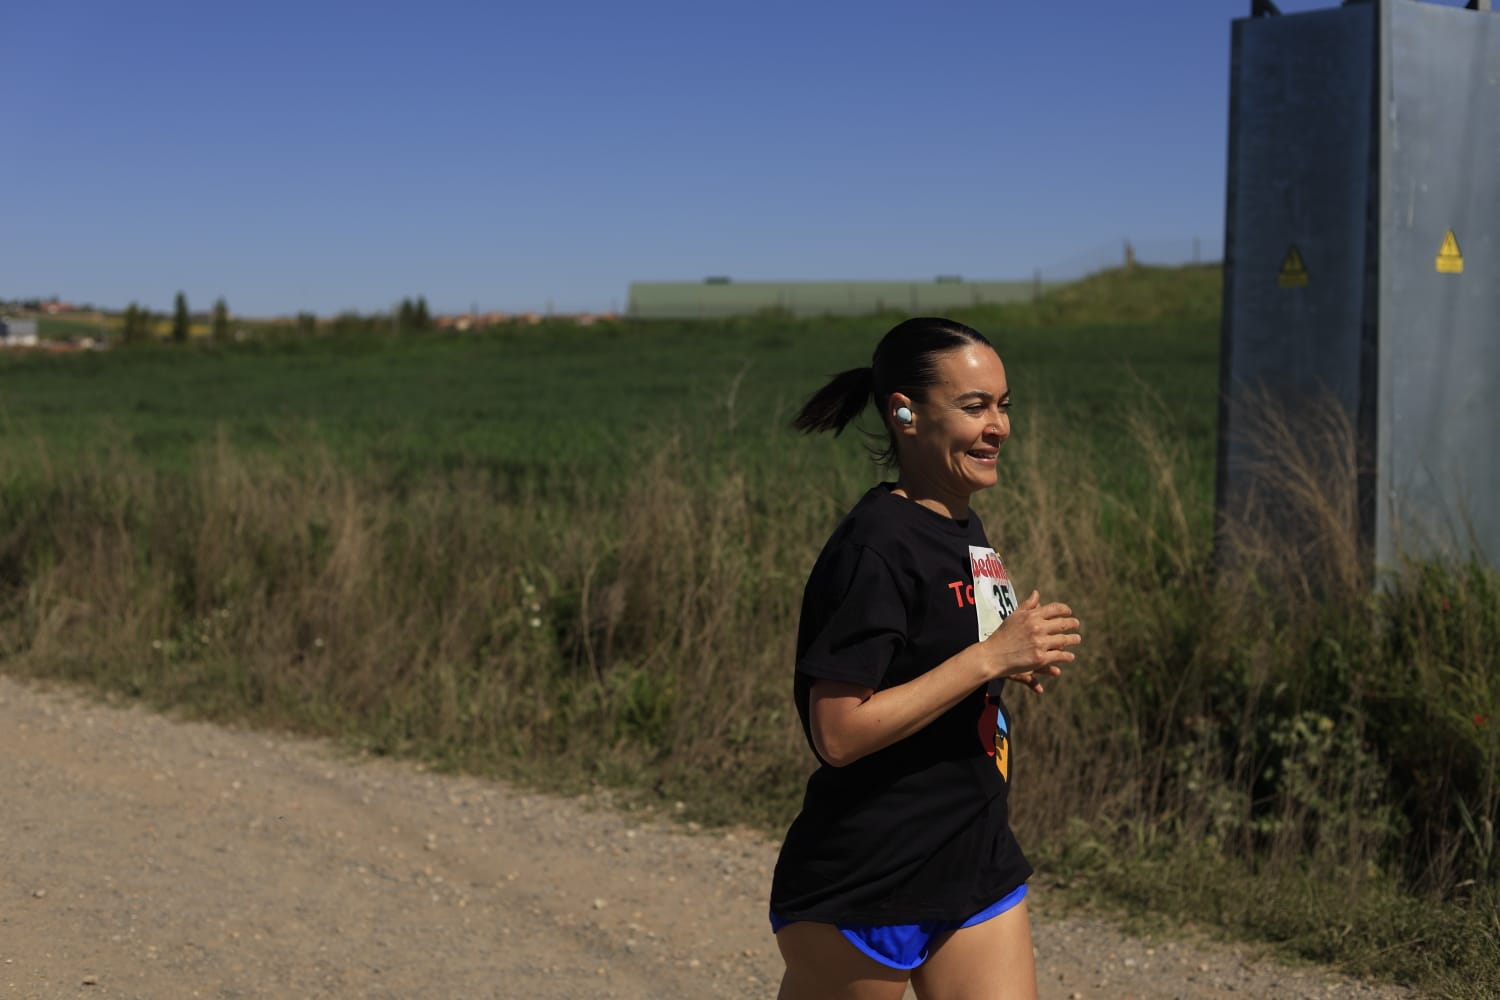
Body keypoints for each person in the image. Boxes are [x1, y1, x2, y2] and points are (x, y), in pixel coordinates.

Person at [769, 317, 1082, 1000]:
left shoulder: (962, 523)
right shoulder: (874, 548)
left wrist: (1013, 660)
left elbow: (955, 656)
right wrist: (987, 658)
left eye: (1003, 405)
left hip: (973, 856)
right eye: (975, 406)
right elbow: (839, 733)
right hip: (869, 878)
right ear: (904, 414)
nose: (998, 425)